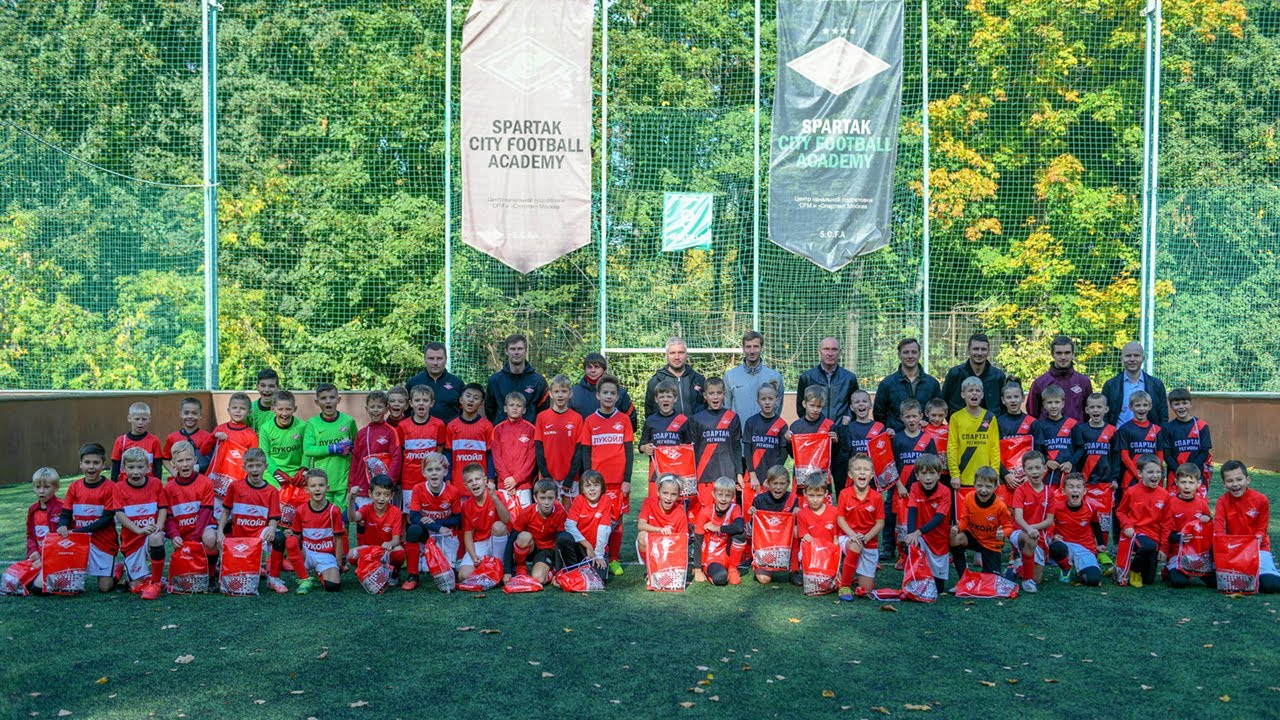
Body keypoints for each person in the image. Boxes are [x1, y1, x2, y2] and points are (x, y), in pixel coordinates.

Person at [577, 375, 635, 576]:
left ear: (617, 396)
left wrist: (627, 479)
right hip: (597, 483)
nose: (608, 396)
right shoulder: (590, 421)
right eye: (605, 393)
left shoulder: (624, 420)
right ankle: (598, 554)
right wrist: (587, 478)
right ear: (598, 395)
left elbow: (629, 451)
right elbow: (585, 451)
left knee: (617, 522)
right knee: (598, 520)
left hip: (618, 482)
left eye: (612, 393)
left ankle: (615, 559)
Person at [221, 449, 289, 594]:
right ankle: (221, 569)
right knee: (239, 576)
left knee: (279, 537)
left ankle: (273, 578)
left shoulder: (271, 491)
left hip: (259, 535)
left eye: (258, 465)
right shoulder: (235, 486)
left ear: (265, 467)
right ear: (244, 467)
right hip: (238, 537)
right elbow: (226, 512)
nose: (255, 469)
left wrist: (272, 529)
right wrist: (219, 532)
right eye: (250, 466)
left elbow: (273, 517)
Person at [795, 336, 858, 490]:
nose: (830, 353)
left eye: (834, 349)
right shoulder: (807, 377)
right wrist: (816, 429)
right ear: (819, 352)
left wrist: (842, 429)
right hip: (816, 444)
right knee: (817, 488)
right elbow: (801, 409)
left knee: (844, 489)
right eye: (826, 349)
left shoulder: (849, 378)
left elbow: (854, 406)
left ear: (840, 352)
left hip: (840, 441)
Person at [58, 444, 117, 593]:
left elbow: (106, 520)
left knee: (105, 588)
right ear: (81, 464)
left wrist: (77, 531)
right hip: (78, 541)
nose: (91, 467)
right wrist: (62, 525)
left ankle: (117, 571)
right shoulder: (74, 487)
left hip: (103, 541)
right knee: (69, 586)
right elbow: (65, 513)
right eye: (87, 462)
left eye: (96, 463)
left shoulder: (111, 487)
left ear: (103, 464)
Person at [111, 447, 167, 600]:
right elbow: (119, 514)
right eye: (131, 467)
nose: (136, 472)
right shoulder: (118, 488)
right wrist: (138, 530)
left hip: (150, 535)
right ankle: (123, 571)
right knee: (136, 587)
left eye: (140, 467)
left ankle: (156, 583)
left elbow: (163, 508)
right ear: (123, 469)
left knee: (156, 537)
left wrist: (159, 526)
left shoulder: (155, 483)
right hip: (132, 539)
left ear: (148, 468)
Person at [1214, 461, 1279, 594]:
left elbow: (1262, 530)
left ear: (1247, 479)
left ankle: (1267, 572)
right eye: (1230, 481)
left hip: (1258, 549)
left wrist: (1253, 543)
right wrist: (1226, 546)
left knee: (1270, 585)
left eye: (1239, 479)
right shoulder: (1222, 502)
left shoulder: (1261, 500)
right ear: (1224, 484)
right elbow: (1218, 531)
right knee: (1223, 582)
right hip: (1234, 550)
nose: (1235, 484)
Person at [401, 452, 463, 592]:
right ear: (424, 472)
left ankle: (450, 560)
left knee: (448, 573)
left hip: (446, 534)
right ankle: (412, 575)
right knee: (413, 529)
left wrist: (437, 524)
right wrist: (437, 526)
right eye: (429, 470)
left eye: (438, 469)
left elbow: (457, 519)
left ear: (445, 471)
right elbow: (414, 517)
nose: (434, 473)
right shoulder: (418, 489)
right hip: (428, 532)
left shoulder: (453, 491)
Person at [162, 442, 219, 588]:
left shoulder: (206, 483)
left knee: (210, 538)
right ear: (173, 464)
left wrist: (194, 538)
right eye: (180, 461)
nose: (185, 464)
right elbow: (168, 518)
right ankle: (155, 579)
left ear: (195, 460)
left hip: (201, 529)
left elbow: (206, 513)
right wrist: (174, 535)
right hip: (181, 531)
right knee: (155, 538)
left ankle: (211, 575)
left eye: (188, 459)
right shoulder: (168, 488)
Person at [505, 479, 584, 584]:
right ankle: (520, 566)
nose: (546, 503)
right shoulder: (527, 512)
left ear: (556, 498)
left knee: (539, 579)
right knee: (523, 536)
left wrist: (558, 574)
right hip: (532, 547)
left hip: (548, 550)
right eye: (542, 498)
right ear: (535, 498)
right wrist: (507, 571)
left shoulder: (560, 513)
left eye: (550, 498)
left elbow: (559, 544)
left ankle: (552, 571)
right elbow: (511, 539)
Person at [1069, 392, 1118, 555]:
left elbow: (1116, 456)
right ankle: (1086, 547)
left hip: (1105, 482)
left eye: (1099, 407)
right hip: (1085, 482)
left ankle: (1102, 550)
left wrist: (1115, 478)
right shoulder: (1081, 429)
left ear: (1106, 409)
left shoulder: (1112, 430)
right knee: (1085, 516)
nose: (1096, 410)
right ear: (1087, 410)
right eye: (1092, 407)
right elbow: (1077, 453)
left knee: (1104, 518)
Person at [690, 377, 743, 526]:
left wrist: (739, 473)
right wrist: (692, 476)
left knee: (727, 517)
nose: (715, 397)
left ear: (724, 394)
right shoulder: (696, 419)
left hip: (727, 475)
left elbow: (736, 446)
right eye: (711, 393)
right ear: (705, 396)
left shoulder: (732, 417)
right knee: (705, 515)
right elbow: (692, 450)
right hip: (704, 476)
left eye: (719, 393)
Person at [888, 400, 937, 561]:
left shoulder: (927, 439)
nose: (911, 420)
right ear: (901, 417)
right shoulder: (897, 439)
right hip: (903, 491)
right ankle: (903, 556)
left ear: (921, 416)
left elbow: (934, 465)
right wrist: (899, 486)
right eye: (908, 417)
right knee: (902, 524)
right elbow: (891, 465)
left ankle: (924, 553)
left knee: (922, 521)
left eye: (914, 416)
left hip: (922, 491)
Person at [1114, 454, 1172, 588]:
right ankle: (1134, 571)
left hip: (1154, 537)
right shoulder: (1131, 491)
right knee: (1147, 546)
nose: (1155, 475)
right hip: (1135, 533)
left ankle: (1128, 567)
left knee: (1149, 580)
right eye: (1150, 472)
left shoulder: (1164, 495)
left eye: (1158, 472)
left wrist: (1164, 548)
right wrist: (1127, 525)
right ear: (1140, 474)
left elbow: (1167, 523)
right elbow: (1120, 511)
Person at [286, 468, 346, 594]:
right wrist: (291, 536)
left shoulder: (334, 511)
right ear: (307, 490)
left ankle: (320, 573)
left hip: (326, 555)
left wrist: (339, 563)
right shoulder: (300, 510)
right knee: (291, 541)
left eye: (321, 485)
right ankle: (305, 578)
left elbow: (339, 539)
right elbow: (297, 537)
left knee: (332, 586)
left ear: (327, 488)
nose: (317, 489)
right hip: (307, 553)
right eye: (313, 486)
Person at [836, 456, 885, 600]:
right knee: (856, 545)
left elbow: (880, 523)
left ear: (872, 475)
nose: (862, 472)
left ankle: (852, 574)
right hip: (848, 537)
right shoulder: (844, 494)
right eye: (858, 469)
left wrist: (867, 537)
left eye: (866, 469)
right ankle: (845, 586)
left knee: (866, 590)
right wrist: (852, 534)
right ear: (851, 475)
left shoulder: (876, 497)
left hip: (869, 541)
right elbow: (840, 519)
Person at [902, 454, 952, 596]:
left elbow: (939, 518)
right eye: (924, 473)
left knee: (938, 589)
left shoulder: (945, 491)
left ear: (939, 475)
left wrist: (917, 532)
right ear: (917, 475)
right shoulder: (915, 487)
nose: (928, 478)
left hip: (938, 540)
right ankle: (912, 577)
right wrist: (911, 535)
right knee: (910, 545)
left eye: (932, 473)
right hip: (922, 537)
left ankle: (933, 578)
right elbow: (912, 511)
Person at [302, 383, 358, 510]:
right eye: (323, 398)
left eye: (332, 397)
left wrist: (351, 447)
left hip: (343, 481)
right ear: (316, 402)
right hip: (321, 482)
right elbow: (308, 449)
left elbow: (357, 445)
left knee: (341, 517)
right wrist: (333, 448)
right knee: (324, 516)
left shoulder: (348, 421)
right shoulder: (312, 423)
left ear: (338, 400)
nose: (328, 401)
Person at [952, 466, 1012, 579]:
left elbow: (1008, 527)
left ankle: (1002, 571)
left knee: (990, 581)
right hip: (974, 537)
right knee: (955, 539)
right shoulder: (969, 498)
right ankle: (963, 578)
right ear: (974, 484)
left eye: (988, 486)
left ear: (996, 487)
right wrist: (958, 528)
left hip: (991, 543)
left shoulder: (1000, 507)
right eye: (979, 485)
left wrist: (1003, 533)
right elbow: (965, 520)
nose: (983, 490)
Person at [349, 391, 404, 512]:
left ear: (386, 409)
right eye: (372, 407)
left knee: (382, 519)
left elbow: (396, 458)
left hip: (382, 490)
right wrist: (352, 485)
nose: (375, 410)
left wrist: (389, 483)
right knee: (362, 519)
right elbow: (355, 461)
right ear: (366, 409)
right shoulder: (361, 433)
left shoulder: (391, 432)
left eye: (379, 407)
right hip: (363, 489)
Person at [639, 380, 697, 495]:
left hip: (676, 473)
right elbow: (641, 445)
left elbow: (689, 448)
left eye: (669, 396)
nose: (665, 399)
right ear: (656, 399)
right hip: (656, 473)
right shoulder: (650, 420)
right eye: (661, 397)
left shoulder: (683, 420)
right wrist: (645, 448)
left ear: (675, 399)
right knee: (655, 503)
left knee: (675, 502)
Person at [873, 338, 942, 433]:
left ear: (919, 354)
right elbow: (879, 414)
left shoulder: (932, 383)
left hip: (925, 438)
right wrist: (891, 433)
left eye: (914, 352)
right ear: (899, 355)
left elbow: (939, 411)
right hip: (896, 438)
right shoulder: (887, 383)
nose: (910, 356)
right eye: (906, 352)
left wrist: (928, 427)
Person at [947, 377, 1000, 500]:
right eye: (970, 390)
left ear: (982, 395)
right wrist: (954, 474)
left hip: (986, 479)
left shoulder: (990, 417)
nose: (974, 393)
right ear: (963, 395)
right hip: (963, 477)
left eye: (977, 390)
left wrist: (995, 473)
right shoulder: (956, 418)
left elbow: (995, 448)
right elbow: (952, 447)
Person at [1048, 473, 1105, 586]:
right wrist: (1053, 535)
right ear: (1064, 491)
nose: (1075, 490)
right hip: (1065, 545)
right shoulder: (1056, 507)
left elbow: (1095, 524)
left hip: (1085, 547)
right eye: (1071, 487)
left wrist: (1101, 543)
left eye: (1078, 487)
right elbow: (1048, 523)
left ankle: (1082, 569)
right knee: (1056, 547)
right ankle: (1066, 568)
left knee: (1093, 580)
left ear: (1084, 491)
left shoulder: (1091, 507)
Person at [458, 463, 511, 582]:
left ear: (485, 480)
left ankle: (499, 565)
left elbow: (506, 520)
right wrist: (473, 556)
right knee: (463, 575)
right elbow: (468, 534)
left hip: (497, 539)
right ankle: (488, 572)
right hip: (480, 542)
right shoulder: (466, 505)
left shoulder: (497, 495)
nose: (474, 483)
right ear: (466, 486)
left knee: (498, 526)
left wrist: (494, 497)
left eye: (477, 479)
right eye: (470, 481)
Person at [1009, 452, 1054, 593]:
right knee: (1030, 538)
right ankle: (1027, 581)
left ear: (1045, 468)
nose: (1034, 472)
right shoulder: (1020, 491)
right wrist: (1029, 529)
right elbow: (1018, 518)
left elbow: (1049, 521)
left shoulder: (1049, 492)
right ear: (1024, 470)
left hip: (1038, 535)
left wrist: (1032, 528)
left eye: (1038, 467)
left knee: (1037, 579)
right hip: (1020, 532)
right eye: (1030, 468)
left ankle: (1017, 566)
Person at [347, 475, 406, 582]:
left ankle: (394, 572)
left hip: (387, 551)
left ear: (392, 495)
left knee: (399, 552)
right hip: (371, 550)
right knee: (351, 555)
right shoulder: (367, 509)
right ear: (370, 494)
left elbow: (396, 539)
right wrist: (351, 500)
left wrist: (390, 543)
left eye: (386, 495)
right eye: (378, 494)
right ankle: (371, 569)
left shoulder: (395, 511)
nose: (382, 498)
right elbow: (352, 518)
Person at [749, 465, 801, 585]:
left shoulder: (793, 499)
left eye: (782, 483)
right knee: (764, 579)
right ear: (768, 483)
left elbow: (799, 526)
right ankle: (761, 562)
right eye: (775, 483)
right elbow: (754, 530)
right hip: (766, 543)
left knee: (796, 530)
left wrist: (799, 515)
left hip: (785, 542)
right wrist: (752, 516)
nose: (778, 487)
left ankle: (794, 570)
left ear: (788, 484)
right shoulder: (759, 500)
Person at [724, 330, 784, 434]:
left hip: (765, 438)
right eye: (748, 347)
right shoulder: (730, 376)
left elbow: (777, 409)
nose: (752, 351)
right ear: (743, 349)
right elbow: (726, 410)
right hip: (739, 437)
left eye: (756, 346)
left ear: (762, 348)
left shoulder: (774, 377)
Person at [1165, 464, 1214, 589]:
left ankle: (1195, 570)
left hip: (1198, 552)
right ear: (1176, 482)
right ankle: (1169, 569)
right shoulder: (1170, 504)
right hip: (1178, 552)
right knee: (1179, 582)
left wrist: (1208, 518)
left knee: (1215, 583)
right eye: (1183, 482)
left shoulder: (1202, 504)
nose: (1187, 486)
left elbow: (1209, 528)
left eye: (1191, 483)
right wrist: (1178, 538)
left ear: (1198, 484)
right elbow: (1166, 532)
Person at [399, 385, 448, 508]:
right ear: (410, 403)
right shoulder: (403, 426)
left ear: (432, 403)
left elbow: (439, 453)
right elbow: (401, 452)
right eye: (417, 400)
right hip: (409, 479)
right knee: (410, 514)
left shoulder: (439, 425)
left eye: (425, 400)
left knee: (431, 510)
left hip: (431, 478)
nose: (421, 403)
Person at [692, 476, 747, 586]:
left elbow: (739, 526)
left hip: (728, 556)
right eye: (720, 495)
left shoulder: (735, 508)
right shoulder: (705, 512)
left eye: (728, 496)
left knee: (740, 533)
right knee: (721, 578)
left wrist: (718, 528)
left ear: (733, 497)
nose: (723, 499)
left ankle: (733, 569)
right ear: (714, 494)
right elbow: (698, 541)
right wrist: (698, 570)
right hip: (711, 558)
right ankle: (709, 570)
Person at [636, 474, 692, 581]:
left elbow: (682, 541)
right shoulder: (648, 502)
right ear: (658, 492)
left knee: (670, 578)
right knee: (642, 536)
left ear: (678, 495)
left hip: (670, 547)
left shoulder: (680, 512)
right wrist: (660, 530)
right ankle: (651, 570)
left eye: (673, 494)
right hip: (653, 543)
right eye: (665, 493)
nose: (668, 498)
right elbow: (641, 525)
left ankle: (667, 569)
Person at [535, 375, 584, 494]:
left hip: (570, 478)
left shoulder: (577, 418)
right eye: (556, 391)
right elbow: (539, 450)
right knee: (547, 505)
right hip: (548, 477)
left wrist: (570, 477)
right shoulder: (542, 417)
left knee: (569, 507)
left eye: (564, 391)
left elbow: (579, 452)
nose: (560, 395)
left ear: (570, 393)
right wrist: (546, 476)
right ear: (550, 394)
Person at [1100, 342, 1168, 427]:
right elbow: (1104, 415)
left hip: (1149, 434)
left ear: (1143, 358)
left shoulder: (1157, 385)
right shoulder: (1110, 385)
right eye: (1128, 356)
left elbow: (1163, 416)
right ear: (1121, 359)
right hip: (1118, 434)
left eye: (1136, 355)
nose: (1132, 359)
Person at [484, 333, 548, 423]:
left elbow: (544, 411)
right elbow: (490, 409)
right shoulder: (495, 380)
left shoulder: (538, 381)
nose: (516, 352)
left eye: (520, 349)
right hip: (502, 431)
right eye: (512, 349)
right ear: (506, 351)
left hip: (530, 431)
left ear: (526, 351)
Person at [1027, 335, 1093, 420]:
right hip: (1047, 429)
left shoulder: (1084, 382)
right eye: (1059, 353)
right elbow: (1032, 414)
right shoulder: (1039, 383)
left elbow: (1088, 412)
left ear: (1073, 354)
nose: (1063, 357)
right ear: (1052, 354)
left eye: (1067, 353)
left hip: (1076, 428)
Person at [743, 383, 789, 506]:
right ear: (758, 401)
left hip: (771, 480)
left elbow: (783, 454)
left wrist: (771, 478)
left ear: (777, 400)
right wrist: (752, 475)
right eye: (763, 399)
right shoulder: (751, 422)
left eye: (770, 399)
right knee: (751, 512)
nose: (767, 402)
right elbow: (747, 450)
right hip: (753, 478)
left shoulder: (782, 424)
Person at [444, 383, 495, 491]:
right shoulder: (452, 426)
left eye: (476, 398)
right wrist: (447, 480)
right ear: (461, 399)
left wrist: (491, 480)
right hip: (457, 484)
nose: (471, 400)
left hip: (480, 485)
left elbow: (490, 455)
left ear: (481, 403)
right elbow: (448, 454)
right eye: (468, 396)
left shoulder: (487, 426)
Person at [564, 470, 614, 579]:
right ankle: (566, 571)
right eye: (588, 486)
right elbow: (569, 525)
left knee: (598, 580)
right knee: (563, 538)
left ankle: (587, 567)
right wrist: (587, 545)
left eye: (596, 485)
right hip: (581, 546)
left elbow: (604, 529)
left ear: (602, 487)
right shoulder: (578, 500)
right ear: (582, 489)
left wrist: (599, 555)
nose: (592, 489)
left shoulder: (606, 500)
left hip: (598, 549)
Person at [570, 352, 638, 431]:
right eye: (589, 367)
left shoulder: (619, 393)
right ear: (585, 369)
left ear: (604, 369)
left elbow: (632, 421)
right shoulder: (573, 393)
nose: (593, 370)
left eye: (597, 367)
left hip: (613, 438)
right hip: (583, 438)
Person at [796, 472, 841, 590]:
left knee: (837, 584)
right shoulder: (802, 514)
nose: (815, 500)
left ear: (826, 494)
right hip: (813, 555)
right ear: (804, 493)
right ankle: (804, 571)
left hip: (830, 553)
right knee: (815, 584)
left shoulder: (834, 512)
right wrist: (806, 538)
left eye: (819, 495)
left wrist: (835, 544)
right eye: (811, 495)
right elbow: (804, 537)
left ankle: (836, 571)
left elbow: (837, 537)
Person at [941, 333, 1007, 413]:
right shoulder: (955, 374)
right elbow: (943, 403)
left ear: (988, 351)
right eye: (975, 349)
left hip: (990, 421)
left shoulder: (998, 376)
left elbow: (1005, 407)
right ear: (968, 350)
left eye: (983, 349)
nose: (979, 353)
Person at [643, 336, 707, 418]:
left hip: (694, 426)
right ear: (666, 355)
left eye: (681, 352)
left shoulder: (698, 380)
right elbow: (649, 413)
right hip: (666, 426)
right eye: (672, 353)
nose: (677, 357)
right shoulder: (656, 381)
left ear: (686, 355)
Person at [1115, 390, 1167, 490]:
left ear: (1150, 406)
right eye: (1138, 405)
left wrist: (1154, 473)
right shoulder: (1124, 429)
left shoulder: (1156, 429)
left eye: (1145, 405)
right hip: (1131, 477)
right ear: (1130, 407)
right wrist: (1139, 476)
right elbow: (1124, 457)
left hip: (1152, 477)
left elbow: (1160, 455)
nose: (1142, 408)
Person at [493, 393, 537, 507]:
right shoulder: (498, 430)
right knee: (504, 516)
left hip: (523, 486)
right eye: (511, 405)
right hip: (504, 485)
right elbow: (496, 458)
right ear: (505, 408)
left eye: (518, 405)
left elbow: (531, 460)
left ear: (524, 410)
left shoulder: (531, 430)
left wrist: (516, 479)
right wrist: (507, 480)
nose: (515, 408)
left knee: (524, 516)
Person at [1163, 388, 1212, 490]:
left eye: (1184, 403)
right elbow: (1167, 455)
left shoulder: (1202, 426)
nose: (1181, 407)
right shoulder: (1167, 428)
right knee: (1175, 500)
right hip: (1175, 476)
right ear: (1171, 406)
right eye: (1177, 404)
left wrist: (1191, 470)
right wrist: (1179, 471)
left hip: (1197, 475)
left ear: (1190, 404)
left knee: (1197, 500)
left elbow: (1204, 452)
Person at [790, 386, 839, 488]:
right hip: (801, 476)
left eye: (819, 406)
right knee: (800, 498)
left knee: (821, 497)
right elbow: (792, 454)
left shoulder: (829, 425)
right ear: (804, 404)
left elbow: (834, 454)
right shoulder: (796, 426)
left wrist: (835, 442)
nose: (815, 409)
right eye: (812, 405)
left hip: (822, 476)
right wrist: (788, 442)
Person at [405, 341, 466, 423]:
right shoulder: (413, 383)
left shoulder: (458, 383)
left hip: (450, 430)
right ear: (425, 359)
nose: (435, 363)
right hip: (421, 430)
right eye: (431, 358)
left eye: (439, 358)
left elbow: (465, 411)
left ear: (446, 359)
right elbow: (405, 411)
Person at [257, 389, 307, 489]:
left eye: (288, 409)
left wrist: (304, 468)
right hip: (273, 474)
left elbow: (307, 451)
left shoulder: (302, 426)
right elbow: (264, 455)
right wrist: (276, 472)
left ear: (295, 409)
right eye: (280, 409)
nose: (284, 413)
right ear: (273, 409)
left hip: (296, 474)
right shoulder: (265, 428)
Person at [1031, 385, 1078, 487]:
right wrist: (1046, 461)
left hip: (1069, 473)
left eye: (1057, 402)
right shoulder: (1040, 425)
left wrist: (1071, 462)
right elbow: (1037, 450)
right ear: (1044, 404)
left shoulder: (1073, 424)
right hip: (1049, 475)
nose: (1053, 406)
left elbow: (1080, 448)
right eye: (1049, 402)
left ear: (1063, 403)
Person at [24, 468, 63, 588]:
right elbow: (30, 535)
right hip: (38, 557)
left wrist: (47, 558)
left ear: (56, 488)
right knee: (15, 581)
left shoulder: (63, 507)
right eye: (37, 487)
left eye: (46, 487)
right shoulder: (33, 509)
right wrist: (32, 551)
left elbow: (68, 538)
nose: (41, 491)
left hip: (57, 557)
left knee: (38, 587)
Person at [111, 401, 164, 481]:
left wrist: (157, 484)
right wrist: (114, 486)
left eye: (144, 419)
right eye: (137, 419)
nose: (140, 422)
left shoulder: (154, 441)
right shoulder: (121, 441)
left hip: (148, 484)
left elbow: (158, 466)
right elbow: (115, 466)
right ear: (129, 418)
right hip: (125, 484)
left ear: (149, 419)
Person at [162, 397, 214, 475]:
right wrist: (174, 473)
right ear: (181, 414)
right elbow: (165, 459)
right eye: (186, 413)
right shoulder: (172, 437)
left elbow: (214, 460)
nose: (190, 416)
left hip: (202, 479)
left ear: (200, 415)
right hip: (180, 480)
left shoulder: (208, 437)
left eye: (194, 413)